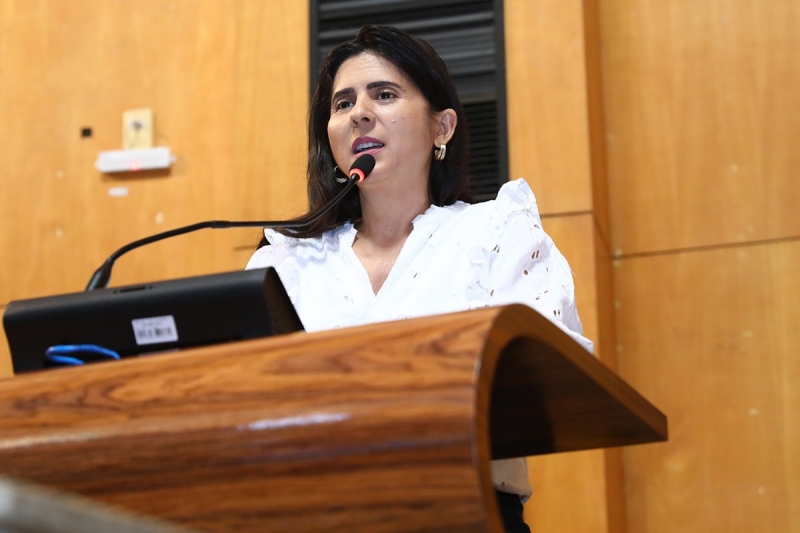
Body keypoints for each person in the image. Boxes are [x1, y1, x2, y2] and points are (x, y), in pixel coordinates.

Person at [247, 24, 593, 533]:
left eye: (384, 94)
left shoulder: (497, 232)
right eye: (343, 103)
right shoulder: (287, 259)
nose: (359, 112)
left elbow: (547, 377)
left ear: (442, 128)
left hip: (462, 512)